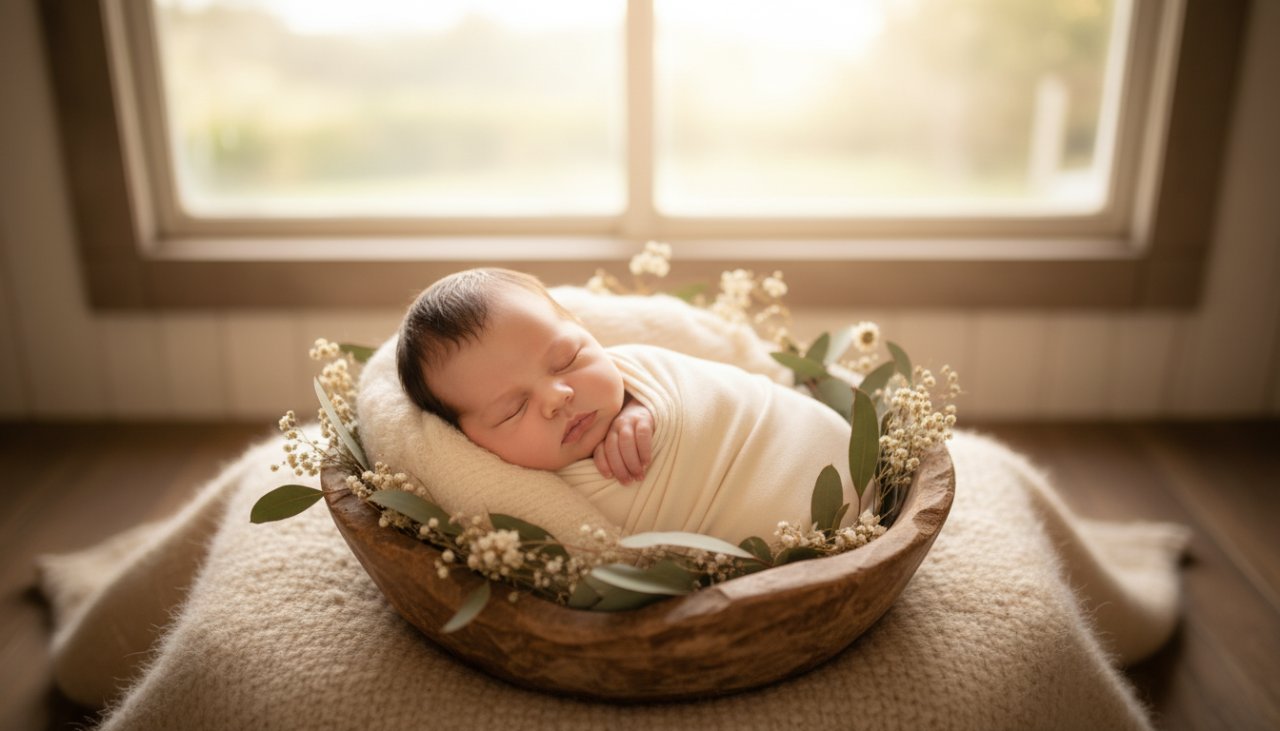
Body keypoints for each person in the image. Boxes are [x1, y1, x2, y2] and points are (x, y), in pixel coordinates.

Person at [396, 268, 655, 485]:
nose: (557, 397)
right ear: (467, 441)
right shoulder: (522, 493)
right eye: (514, 410)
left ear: (582, 326)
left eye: (567, 360)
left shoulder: (641, 366)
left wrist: (647, 403)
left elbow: (684, 380)